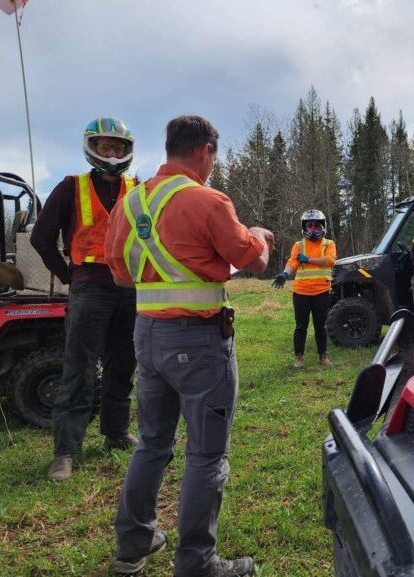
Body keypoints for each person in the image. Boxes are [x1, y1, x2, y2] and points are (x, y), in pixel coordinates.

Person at [104, 115, 274, 577]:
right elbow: (253, 260)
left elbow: (119, 274)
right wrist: (261, 237)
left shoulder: (130, 203)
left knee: (153, 443)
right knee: (206, 454)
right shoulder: (207, 200)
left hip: (148, 335)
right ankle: (197, 563)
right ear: (205, 151)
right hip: (199, 341)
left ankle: (133, 544)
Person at [31, 117, 139, 482]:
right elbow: (41, 239)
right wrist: (70, 278)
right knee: (79, 367)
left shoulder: (136, 187)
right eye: (106, 146)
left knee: (124, 362)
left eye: (118, 147)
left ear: (127, 151)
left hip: (128, 288)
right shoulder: (69, 187)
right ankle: (65, 452)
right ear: (92, 147)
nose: (112, 153)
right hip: (89, 286)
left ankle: (116, 432)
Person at [272, 209, 337, 368]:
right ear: (304, 227)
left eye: (316, 226)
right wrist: (285, 274)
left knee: (320, 326)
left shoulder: (329, 244)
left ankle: (323, 356)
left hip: (321, 292)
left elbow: (330, 261)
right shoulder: (298, 245)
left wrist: (308, 259)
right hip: (301, 293)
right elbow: (292, 263)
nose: (313, 229)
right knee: (301, 326)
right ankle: (299, 358)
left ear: (322, 227)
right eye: (310, 226)